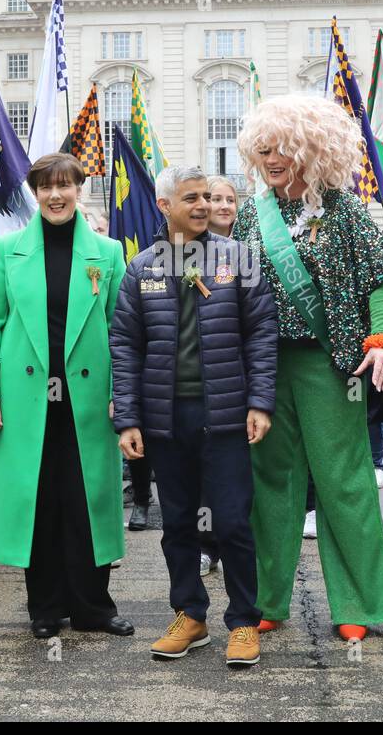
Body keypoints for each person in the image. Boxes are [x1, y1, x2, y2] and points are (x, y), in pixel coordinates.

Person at [232, 95, 383, 642]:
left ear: (310, 148)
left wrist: (380, 342)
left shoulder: (345, 210)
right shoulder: (251, 216)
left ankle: (358, 602)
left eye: (280, 147)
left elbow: (377, 281)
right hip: (263, 366)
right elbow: (232, 291)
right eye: (262, 149)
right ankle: (266, 598)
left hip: (331, 364)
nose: (271, 157)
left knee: (343, 481)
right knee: (270, 483)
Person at [111, 165, 277, 666]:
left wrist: (259, 403)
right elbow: (125, 345)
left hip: (225, 415)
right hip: (166, 419)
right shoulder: (142, 268)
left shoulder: (239, 259)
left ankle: (245, 621)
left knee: (232, 522)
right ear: (165, 206)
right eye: (192, 198)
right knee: (178, 523)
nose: (204, 205)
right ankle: (190, 615)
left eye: (208, 196)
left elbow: (261, 334)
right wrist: (129, 419)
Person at [0, 152, 133, 639]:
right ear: (34, 193)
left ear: (80, 189)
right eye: (46, 187)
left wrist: (119, 392)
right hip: (25, 399)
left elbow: (121, 329)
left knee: (88, 502)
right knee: (36, 501)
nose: (56, 195)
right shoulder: (8, 249)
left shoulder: (107, 252)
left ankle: (93, 608)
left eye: (65, 186)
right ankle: (44, 608)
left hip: (88, 399)